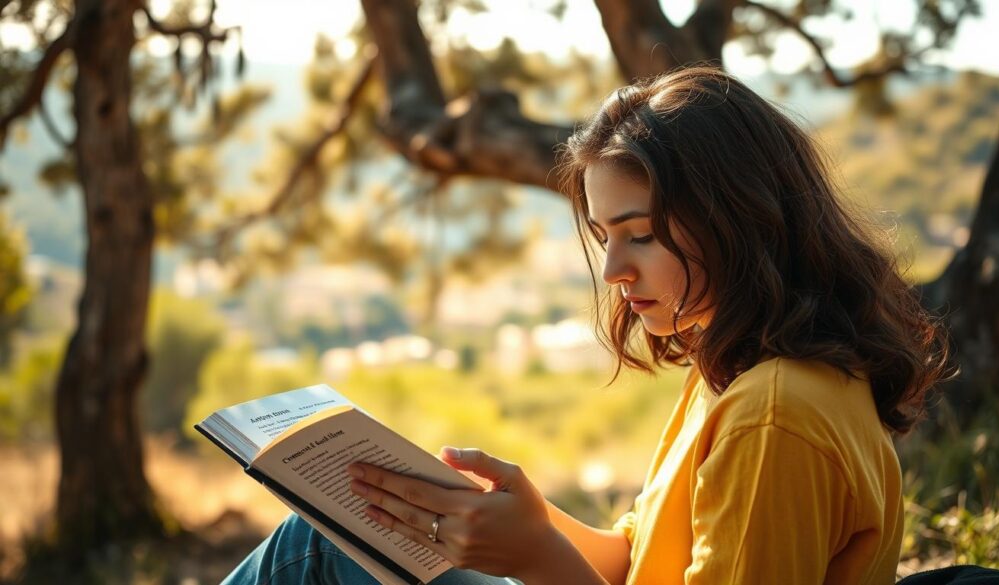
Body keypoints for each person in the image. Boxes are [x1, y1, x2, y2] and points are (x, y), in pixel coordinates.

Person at [222, 66, 954, 584]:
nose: (613, 271)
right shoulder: (744, 375)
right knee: (342, 536)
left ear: (738, 219)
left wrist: (537, 556)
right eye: (606, 236)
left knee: (314, 554)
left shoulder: (774, 414)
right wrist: (514, 519)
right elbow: (636, 562)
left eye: (639, 232)